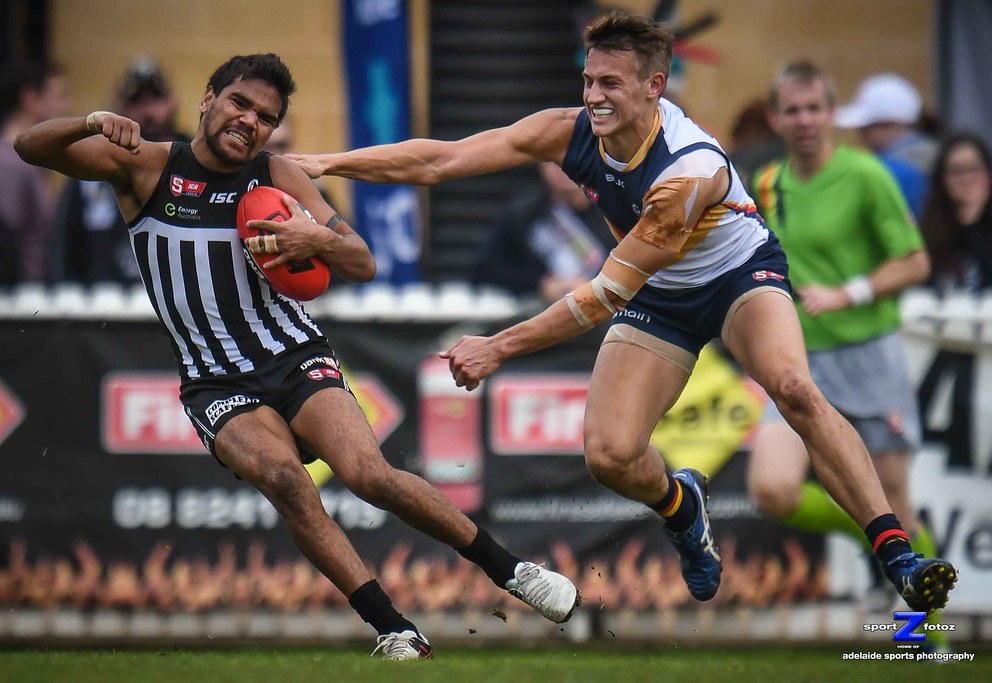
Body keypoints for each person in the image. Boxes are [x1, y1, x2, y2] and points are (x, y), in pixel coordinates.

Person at [283, 10, 958, 614]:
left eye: (611, 84)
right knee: (609, 455)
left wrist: (499, 346)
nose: (594, 96)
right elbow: (441, 160)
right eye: (589, 80)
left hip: (737, 275)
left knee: (793, 387)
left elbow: (603, 295)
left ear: (654, 88)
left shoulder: (685, 172)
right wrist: (327, 160)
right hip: (662, 294)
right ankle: (682, 504)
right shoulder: (568, 131)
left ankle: (895, 548)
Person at [14, 52, 578, 660]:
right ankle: (394, 629)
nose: (248, 121)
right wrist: (90, 121)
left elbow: (362, 261)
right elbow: (29, 146)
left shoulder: (277, 175)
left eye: (265, 116)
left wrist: (318, 238)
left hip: (293, 354)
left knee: (370, 476)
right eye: (239, 104)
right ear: (207, 99)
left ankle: (513, 571)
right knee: (287, 482)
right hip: (214, 379)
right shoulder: (148, 165)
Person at [750, 61, 950, 648]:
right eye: (793, 110)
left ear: (833, 115)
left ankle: (921, 637)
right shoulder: (765, 183)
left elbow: (916, 262)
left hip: (870, 355)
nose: (805, 120)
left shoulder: (867, 175)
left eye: (815, 108)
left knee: (895, 496)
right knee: (772, 489)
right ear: (775, 118)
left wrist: (849, 292)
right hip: (797, 365)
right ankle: (882, 538)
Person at [53, 59, 190, 285]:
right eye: (136, 100)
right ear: (120, 106)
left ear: (172, 101)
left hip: (176, 299)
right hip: (103, 301)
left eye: (156, 98)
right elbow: (65, 240)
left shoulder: (191, 159)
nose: (148, 111)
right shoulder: (94, 163)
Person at [0, 61, 70, 286]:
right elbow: (0, 248)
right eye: (59, 96)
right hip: (14, 303)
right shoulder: (5, 164)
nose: (66, 107)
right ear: (30, 99)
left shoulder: (27, 161)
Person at [470, 161, 615, 303]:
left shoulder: (617, 212)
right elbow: (486, 268)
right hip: (539, 313)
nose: (564, 167)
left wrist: (596, 285)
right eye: (553, 161)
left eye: (573, 160)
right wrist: (540, 284)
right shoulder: (523, 214)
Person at [835, 73, 937, 218]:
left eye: (866, 127)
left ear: (888, 124)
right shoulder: (941, 154)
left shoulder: (887, 170)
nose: (860, 134)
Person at [919, 132, 992, 294]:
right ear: (942, 178)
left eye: (973, 169)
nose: (965, 179)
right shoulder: (928, 230)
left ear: (988, 175)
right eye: (956, 171)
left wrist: (971, 224)